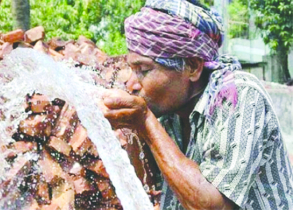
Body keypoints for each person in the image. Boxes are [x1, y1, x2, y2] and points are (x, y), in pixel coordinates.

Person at [101, 0, 293, 209]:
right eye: (131, 68)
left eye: (143, 70)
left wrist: (145, 123)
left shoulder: (238, 96)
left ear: (192, 66)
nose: (132, 84)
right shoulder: (169, 109)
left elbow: (212, 206)